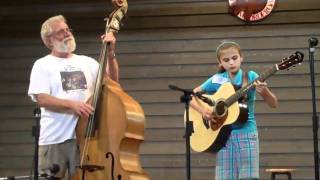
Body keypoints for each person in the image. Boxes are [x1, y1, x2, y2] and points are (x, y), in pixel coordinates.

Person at [27, 15, 119, 179]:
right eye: (61, 32)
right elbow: (42, 98)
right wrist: (72, 104)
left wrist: (111, 54)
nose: (67, 33)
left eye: (67, 29)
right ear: (49, 40)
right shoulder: (42, 64)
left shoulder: (87, 62)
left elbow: (113, 82)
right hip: (54, 140)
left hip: (86, 140)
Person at [190, 40, 278, 180]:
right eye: (226, 60)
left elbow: (273, 104)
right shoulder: (217, 79)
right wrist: (203, 111)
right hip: (223, 136)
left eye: (234, 58)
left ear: (241, 57)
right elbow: (191, 95)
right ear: (220, 63)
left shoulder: (250, 77)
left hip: (247, 134)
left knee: (248, 177)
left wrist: (265, 91)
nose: (231, 62)